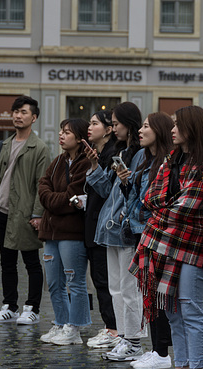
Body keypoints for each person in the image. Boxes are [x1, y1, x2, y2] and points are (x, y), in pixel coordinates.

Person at [130, 105, 203, 369]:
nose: (172, 129)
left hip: (193, 244)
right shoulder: (172, 159)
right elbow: (150, 197)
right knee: (171, 309)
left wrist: (160, 212)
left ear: (192, 128)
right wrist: (162, 209)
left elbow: (187, 208)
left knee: (191, 307)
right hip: (168, 243)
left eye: (178, 124)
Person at [84, 101, 146, 361]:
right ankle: (123, 336)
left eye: (117, 123)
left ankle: (133, 339)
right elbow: (107, 190)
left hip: (126, 228)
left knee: (129, 287)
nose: (114, 128)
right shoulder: (121, 151)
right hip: (112, 227)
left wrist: (126, 181)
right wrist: (94, 167)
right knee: (116, 287)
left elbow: (134, 191)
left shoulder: (140, 153)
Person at [0, 96, 51, 325]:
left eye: (23, 112)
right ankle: (10, 306)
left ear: (33, 118)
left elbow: (41, 185)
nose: (17, 115)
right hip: (3, 211)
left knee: (32, 262)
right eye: (15, 111)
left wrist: (36, 214)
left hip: (24, 215)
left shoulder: (40, 148)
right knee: (6, 262)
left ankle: (32, 308)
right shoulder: (4, 145)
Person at [121, 112, 174, 369]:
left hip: (157, 233)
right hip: (141, 231)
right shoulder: (144, 158)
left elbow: (153, 201)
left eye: (145, 127)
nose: (140, 131)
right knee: (148, 292)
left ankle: (162, 352)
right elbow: (136, 196)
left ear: (159, 131)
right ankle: (157, 349)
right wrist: (125, 184)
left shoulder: (167, 162)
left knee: (157, 293)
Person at [38, 118, 91, 345]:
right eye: (61, 131)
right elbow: (42, 185)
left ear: (80, 138)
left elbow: (74, 193)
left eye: (67, 132)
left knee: (75, 281)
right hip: (51, 231)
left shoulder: (85, 163)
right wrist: (55, 201)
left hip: (72, 232)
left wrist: (53, 200)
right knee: (54, 282)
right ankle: (61, 323)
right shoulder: (59, 160)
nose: (61, 135)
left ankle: (74, 328)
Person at [81, 111, 119, 349]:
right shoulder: (99, 154)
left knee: (106, 280)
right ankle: (111, 325)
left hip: (105, 227)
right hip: (93, 223)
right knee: (100, 279)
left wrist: (95, 165)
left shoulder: (112, 156)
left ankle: (114, 328)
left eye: (95, 123)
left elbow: (108, 192)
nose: (89, 127)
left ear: (107, 130)